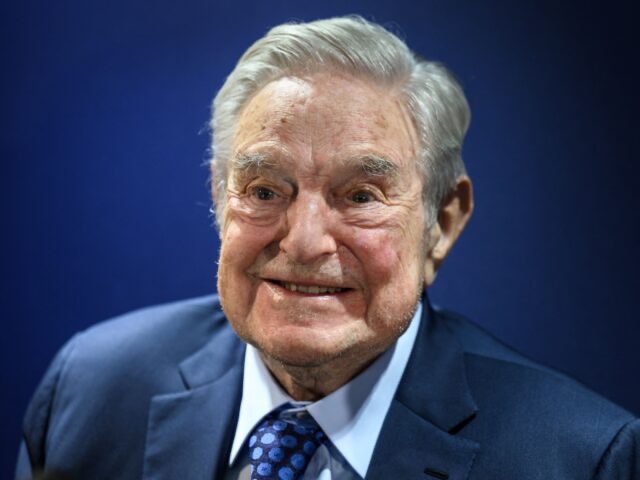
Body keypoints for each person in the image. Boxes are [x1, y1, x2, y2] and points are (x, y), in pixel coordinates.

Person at [15, 15, 639, 480]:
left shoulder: (580, 458)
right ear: (219, 197)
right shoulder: (90, 391)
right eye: (264, 190)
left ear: (442, 223)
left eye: (361, 196)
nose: (305, 241)